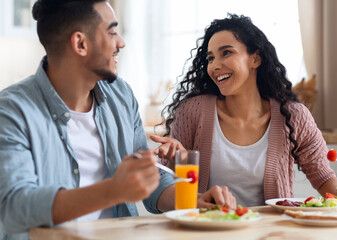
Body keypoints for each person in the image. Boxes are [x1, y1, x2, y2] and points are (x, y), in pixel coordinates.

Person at [0, 1, 235, 239]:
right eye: (112, 32)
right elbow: (13, 208)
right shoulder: (12, 111)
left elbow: (150, 182)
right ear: (80, 43)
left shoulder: (120, 95)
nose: (121, 42)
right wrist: (114, 189)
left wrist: (192, 201)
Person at [151, 14, 337, 207]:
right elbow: (169, 187)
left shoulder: (294, 116)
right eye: (210, 58)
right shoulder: (192, 112)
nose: (215, 65)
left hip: (272, 233)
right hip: (208, 231)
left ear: (255, 59)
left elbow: (324, 179)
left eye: (226, 53)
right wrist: (177, 161)